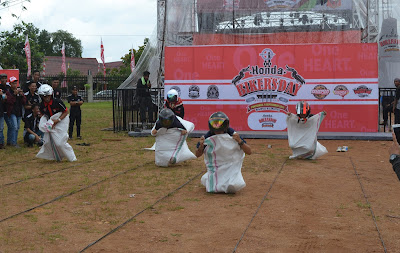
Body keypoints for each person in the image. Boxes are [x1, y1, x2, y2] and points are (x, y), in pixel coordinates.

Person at [196, 112, 251, 194]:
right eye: (214, 124)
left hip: (230, 166)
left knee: (234, 184)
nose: (217, 127)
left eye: (219, 124)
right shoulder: (207, 137)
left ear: (225, 125)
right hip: (216, 167)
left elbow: (249, 151)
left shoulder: (232, 133)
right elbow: (197, 154)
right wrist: (201, 146)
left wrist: (240, 141)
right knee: (208, 182)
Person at [36, 84, 76, 162]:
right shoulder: (41, 105)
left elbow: (65, 112)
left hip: (61, 121)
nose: (47, 98)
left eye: (48, 96)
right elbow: (42, 114)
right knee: (48, 142)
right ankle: (57, 156)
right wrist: (47, 123)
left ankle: (71, 157)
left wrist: (57, 121)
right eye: (44, 96)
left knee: (60, 142)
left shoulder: (57, 102)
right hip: (51, 124)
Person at [5, 76, 26, 147]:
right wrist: (14, 94)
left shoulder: (19, 91)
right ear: (10, 84)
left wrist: (22, 95)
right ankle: (13, 142)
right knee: (14, 126)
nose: (14, 85)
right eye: (13, 83)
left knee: (17, 127)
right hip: (12, 112)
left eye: (15, 83)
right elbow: (9, 102)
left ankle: (12, 141)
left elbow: (24, 102)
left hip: (18, 112)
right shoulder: (8, 92)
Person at [0, 73, 8, 149]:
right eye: (2, 78)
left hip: (4, 110)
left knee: (1, 128)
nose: (3, 79)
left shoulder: (8, 87)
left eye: (5, 78)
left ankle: (2, 143)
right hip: (1, 110)